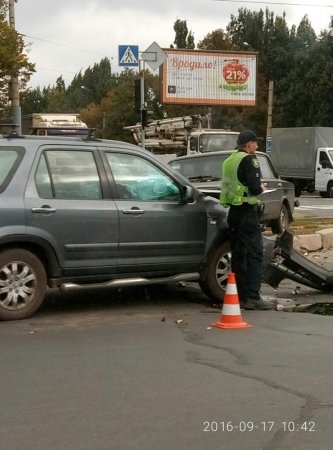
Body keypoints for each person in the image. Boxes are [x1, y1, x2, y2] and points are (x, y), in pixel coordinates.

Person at [220, 130, 276, 310]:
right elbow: (254, 187)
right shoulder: (249, 159)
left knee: (238, 255)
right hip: (247, 212)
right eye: (255, 143)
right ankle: (252, 297)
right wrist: (261, 187)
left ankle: (239, 295)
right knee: (254, 253)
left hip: (233, 212)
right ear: (249, 144)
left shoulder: (229, 160)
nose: (257, 146)